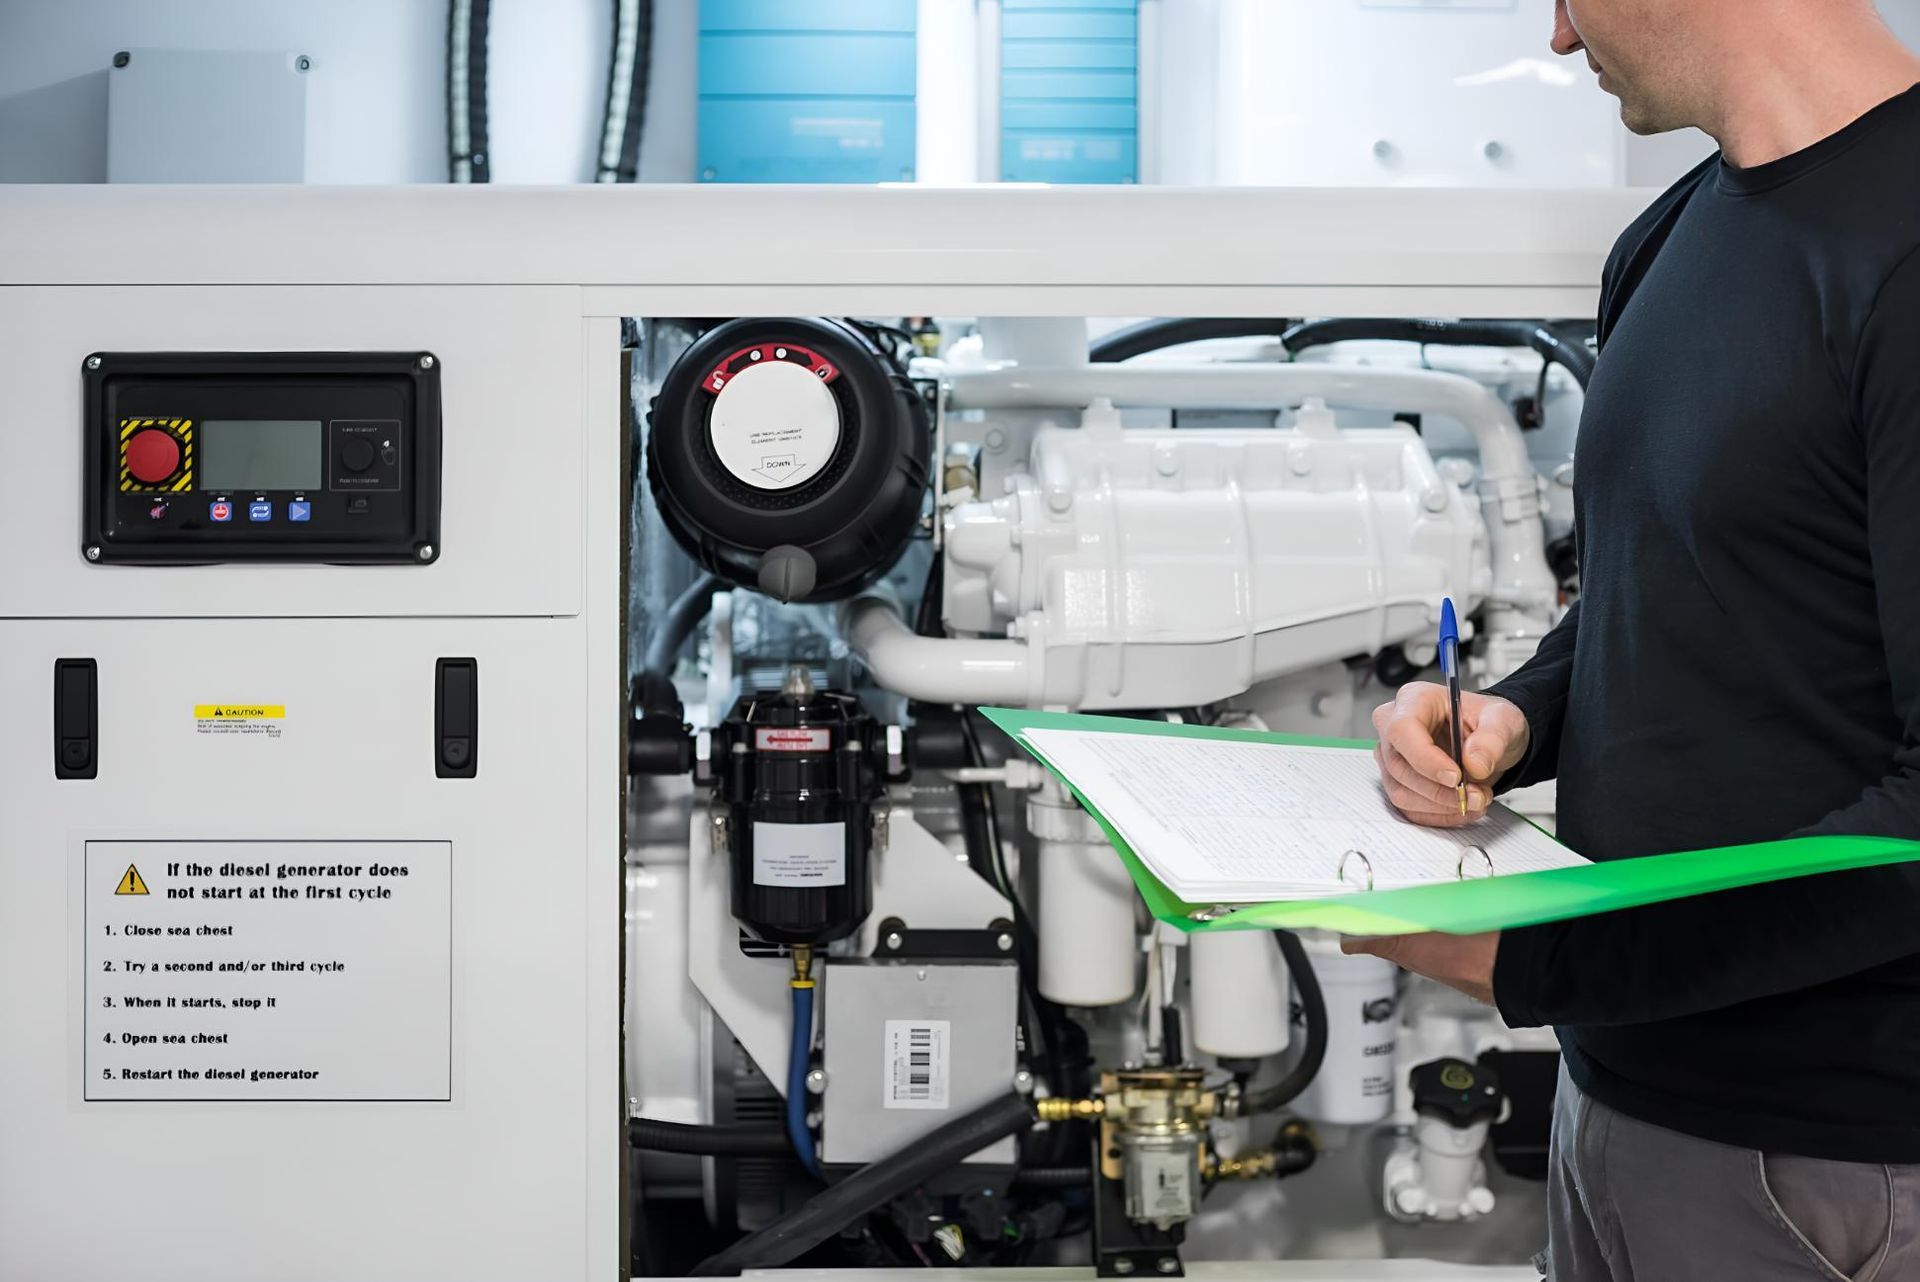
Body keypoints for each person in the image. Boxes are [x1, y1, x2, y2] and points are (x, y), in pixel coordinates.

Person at [1352, 1, 1920, 1278]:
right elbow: (1665, 586)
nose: (1558, 35)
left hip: (1836, 1158)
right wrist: (1515, 714)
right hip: (1620, 1098)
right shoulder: (1670, 236)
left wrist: (1545, 959)